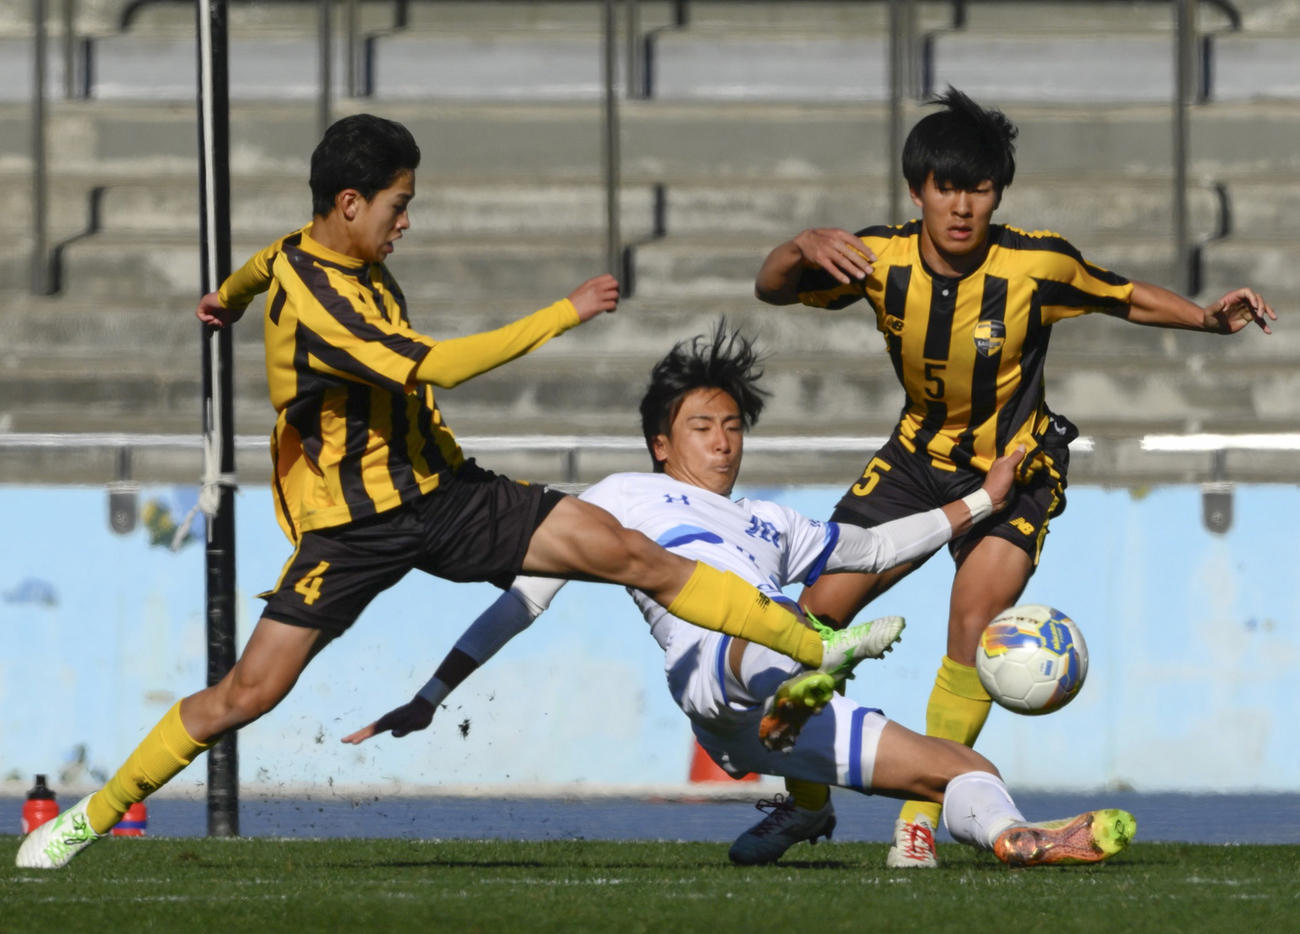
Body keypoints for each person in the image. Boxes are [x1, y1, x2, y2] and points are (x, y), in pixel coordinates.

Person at [17, 115, 897, 871]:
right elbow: (439, 366)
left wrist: (228, 300)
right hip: (355, 528)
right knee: (246, 695)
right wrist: (564, 312)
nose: (407, 221)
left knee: (632, 554)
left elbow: (260, 264)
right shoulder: (330, 307)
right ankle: (85, 823)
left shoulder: (296, 253)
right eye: (398, 205)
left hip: (448, 495)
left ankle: (813, 644)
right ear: (351, 205)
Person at [342, 323, 1137, 869]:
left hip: (761, 719)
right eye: (701, 427)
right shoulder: (617, 497)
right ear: (661, 443)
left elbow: (880, 545)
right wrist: (434, 691)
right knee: (778, 625)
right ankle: (811, 671)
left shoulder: (771, 522)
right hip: (712, 667)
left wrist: (988, 499)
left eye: (731, 426)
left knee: (962, 767)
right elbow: (526, 598)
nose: (722, 441)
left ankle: (1008, 838)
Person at [752, 87, 1276, 868]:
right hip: (910, 467)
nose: (962, 206)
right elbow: (771, 288)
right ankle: (805, 806)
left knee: (972, 624)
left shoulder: (1036, 263)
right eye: (947, 187)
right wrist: (798, 245)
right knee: (806, 626)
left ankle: (919, 820)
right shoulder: (879, 259)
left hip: (1017, 468)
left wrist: (1207, 316)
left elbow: (1122, 296)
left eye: (980, 188)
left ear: (999, 193)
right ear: (917, 190)